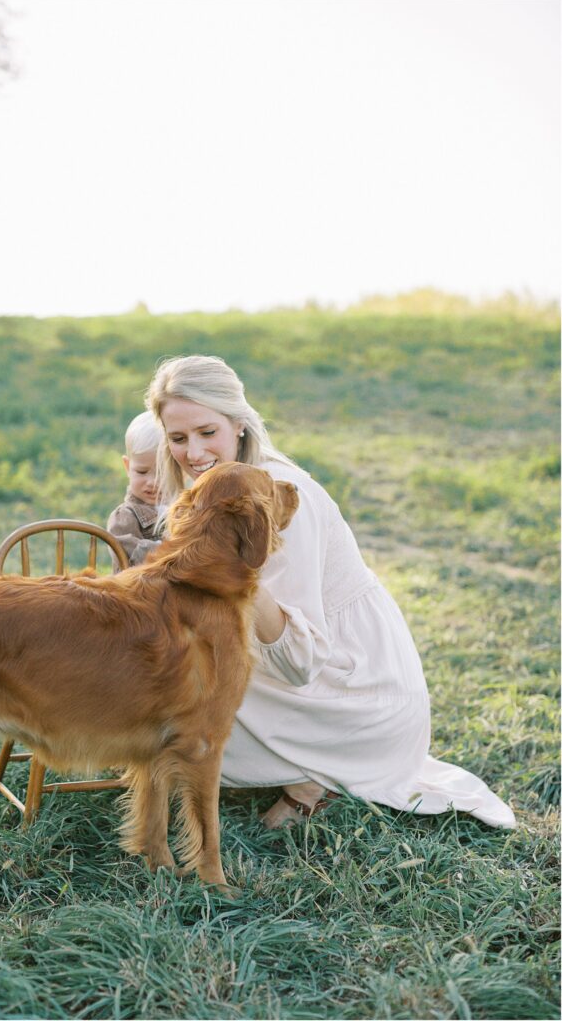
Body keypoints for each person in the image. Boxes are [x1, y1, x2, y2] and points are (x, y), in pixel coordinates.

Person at [145, 354, 516, 830]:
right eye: (178, 439)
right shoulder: (208, 489)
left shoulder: (279, 493)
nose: (194, 453)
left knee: (168, 703)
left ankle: (311, 778)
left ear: (238, 425)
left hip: (354, 690)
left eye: (206, 432)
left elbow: (300, 663)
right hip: (302, 671)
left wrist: (238, 572)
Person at [107, 411, 163, 569]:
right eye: (142, 472)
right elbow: (129, 557)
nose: (152, 482)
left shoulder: (183, 507)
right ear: (127, 466)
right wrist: (173, 550)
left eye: (162, 473)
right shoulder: (124, 517)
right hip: (138, 591)